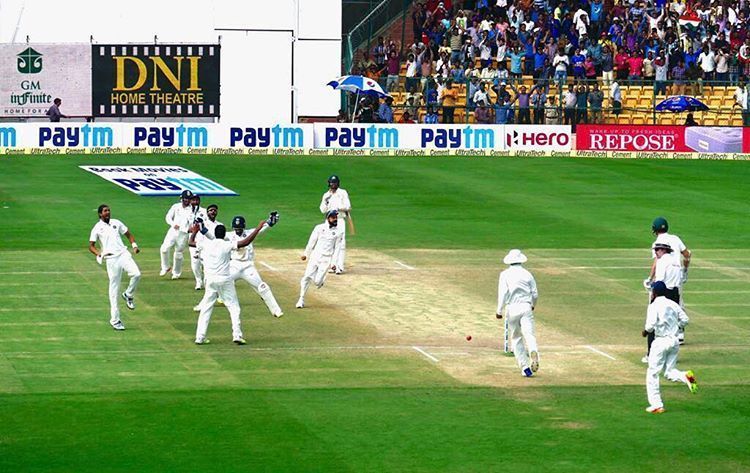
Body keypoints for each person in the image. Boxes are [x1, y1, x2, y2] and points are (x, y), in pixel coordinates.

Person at [189, 218, 267, 345]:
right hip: (225, 279)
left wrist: (195, 231)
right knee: (234, 307)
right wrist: (257, 229)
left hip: (210, 280)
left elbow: (191, 242)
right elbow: (245, 242)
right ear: (224, 234)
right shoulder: (226, 244)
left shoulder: (206, 244)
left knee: (206, 308)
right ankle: (237, 334)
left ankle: (200, 337)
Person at [643, 281, 698, 414]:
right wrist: (675, 326)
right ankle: (686, 376)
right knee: (669, 372)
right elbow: (685, 320)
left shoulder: (654, 305)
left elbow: (650, 326)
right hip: (674, 341)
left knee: (652, 373)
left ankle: (657, 405)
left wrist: (645, 332)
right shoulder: (673, 304)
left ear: (654, 293)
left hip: (661, 341)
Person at [88, 204, 141, 331]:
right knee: (114, 290)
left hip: (123, 254)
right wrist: (99, 253)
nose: (108, 212)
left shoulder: (116, 222)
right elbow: (91, 246)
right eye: (105, 211)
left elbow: (128, 234)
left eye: (109, 210)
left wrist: (134, 245)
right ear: (100, 214)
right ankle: (115, 320)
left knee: (137, 274)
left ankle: (128, 294)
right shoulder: (97, 228)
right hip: (111, 259)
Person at [226, 213, 283, 318]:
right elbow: (213, 236)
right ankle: (204, 305)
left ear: (243, 227)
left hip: (248, 266)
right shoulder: (228, 235)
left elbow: (263, 227)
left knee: (262, 287)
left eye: (240, 228)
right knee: (218, 282)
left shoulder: (249, 233)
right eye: (236, 228)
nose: (238, 230)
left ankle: (276, 310)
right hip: (233, 265)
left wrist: (271, 221)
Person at [647, 217, 691, 345]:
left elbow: (656, 262)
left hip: (663, 279)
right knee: (677, 305)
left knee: (658, 306)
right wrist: (685, 270)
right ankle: (680, 332)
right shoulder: (675, 239)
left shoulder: (657, 244)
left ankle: (661, 335)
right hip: (676, 276)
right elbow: (687, 255)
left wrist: (650, 279)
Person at [497, 249, 539, 377]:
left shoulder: (504, 274)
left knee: (516, 338)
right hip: (526, 306)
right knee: (529, 334)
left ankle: (525, 367)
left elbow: (503, 293)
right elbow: (535, 293)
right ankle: (533, 350)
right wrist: (533, 305)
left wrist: (498, 310)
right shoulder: (527, 274)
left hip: (512, 308)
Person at [296, 210, 344, 309]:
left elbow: (337, 248)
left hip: (326, 259)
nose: (335, 219)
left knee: (317, 282)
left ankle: (320, 281)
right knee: (307, 277)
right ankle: (301, 299)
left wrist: (334, 263)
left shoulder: (339, 232)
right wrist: (306, 254)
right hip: (315, 256)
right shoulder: (319, 228)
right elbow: (312, 241)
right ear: (328, 218)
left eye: (336, 217)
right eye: (333, 217)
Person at [191, 204, 223, 311]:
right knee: (208, 277)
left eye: (214, 210)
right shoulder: (203, 224)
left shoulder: (220, 225)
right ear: (207, 212)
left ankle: (216, 297)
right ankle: (219, 296)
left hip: (215, 254)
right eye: (210, 210)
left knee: (210, 278)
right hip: (204, 252)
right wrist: (197, 250)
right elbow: (198, 240)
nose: (213, 212)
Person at [319, 175, 351, 274]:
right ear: (329, 183)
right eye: (332, 183)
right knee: (329, 243)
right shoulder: (326, 195)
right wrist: (326, 202)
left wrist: (338, 208)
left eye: (335, 183)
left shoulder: (343, 193)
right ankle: (332, 265)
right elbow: (322, 210)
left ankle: (339, 267)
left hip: (340, 220)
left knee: (341, 244)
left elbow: (348, 206)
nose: (333, 184)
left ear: (338, 183)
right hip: (328, 221)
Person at [159, 190, 194, 279]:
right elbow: (168, 217)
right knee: (164, 249)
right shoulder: (176, 206)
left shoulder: (192, 210)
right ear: (181, 198)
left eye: (189, 199)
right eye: (185, 198)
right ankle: (165, 267)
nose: (187, 200)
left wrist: (185, 229)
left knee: (178, 253)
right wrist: (173, 224)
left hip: (183, 234)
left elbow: (190, 225)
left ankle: (176, 273)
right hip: (173, 231)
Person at [188, 194, 208, 290]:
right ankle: (198, 281)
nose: (195, 202)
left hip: (203, 238)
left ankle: (207, 280)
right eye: (193, 200)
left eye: (197, 200)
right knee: (195, 261)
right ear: (190, 201)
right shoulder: (187, 212)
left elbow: (208, 224)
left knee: (205, 260)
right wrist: (189, 229)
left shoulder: (204, 211)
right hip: (192, 238)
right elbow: (183, 225)